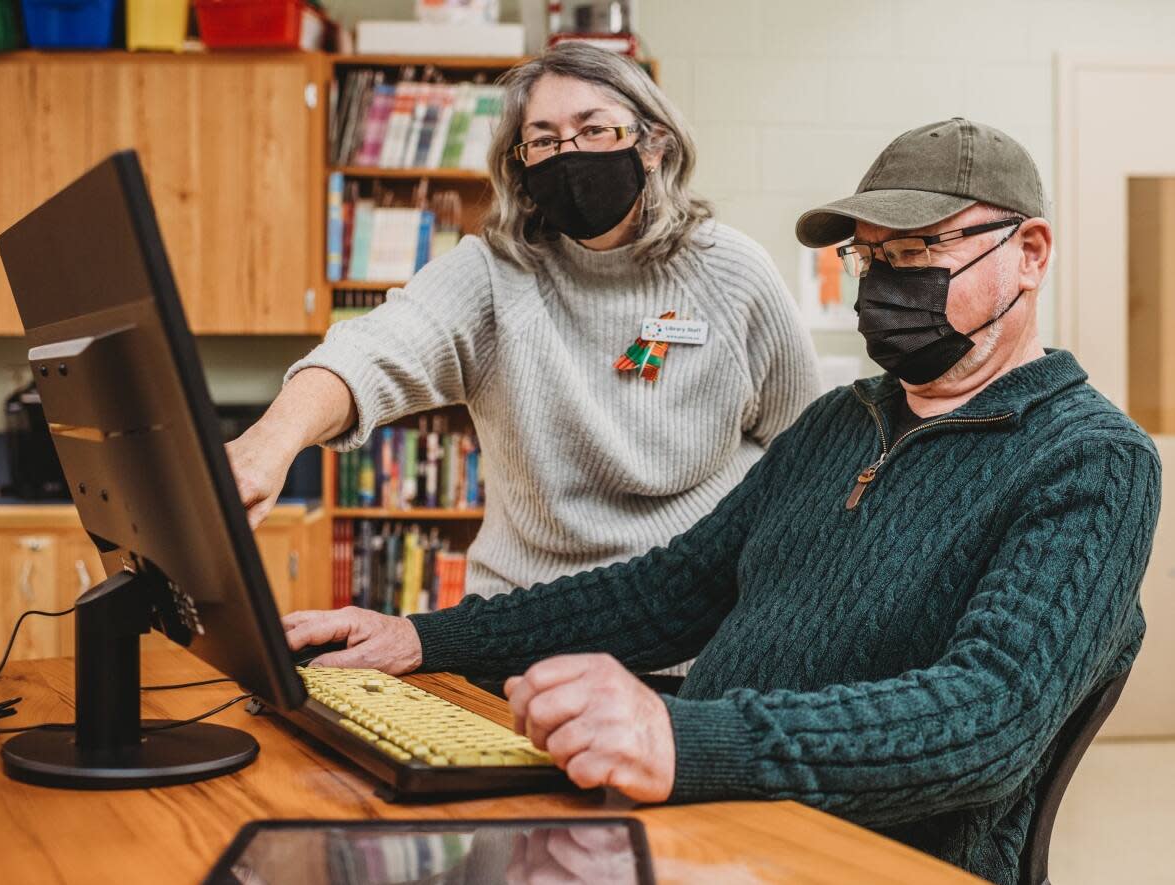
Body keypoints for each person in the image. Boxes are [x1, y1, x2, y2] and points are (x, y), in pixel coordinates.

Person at [282, 118, 1162, 885]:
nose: (887, 281)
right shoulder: (838, 423)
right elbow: (671, 589)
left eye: (920, 252)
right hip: (713, 823)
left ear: (1030, 252)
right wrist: (425, 637)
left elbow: (986, 717)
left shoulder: (1090, 461)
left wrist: (688, 740)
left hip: (863, 859)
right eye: (871, 255)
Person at [226, 43, 820, 603]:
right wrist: (268, 445)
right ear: (521, 165)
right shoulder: (493, 274)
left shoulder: (732, 272)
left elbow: (808, 450)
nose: (569, 154)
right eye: (543, 140)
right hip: (524, 619)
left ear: (653, 144)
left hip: (695, 620)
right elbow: (374, 349)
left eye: (593, 129)